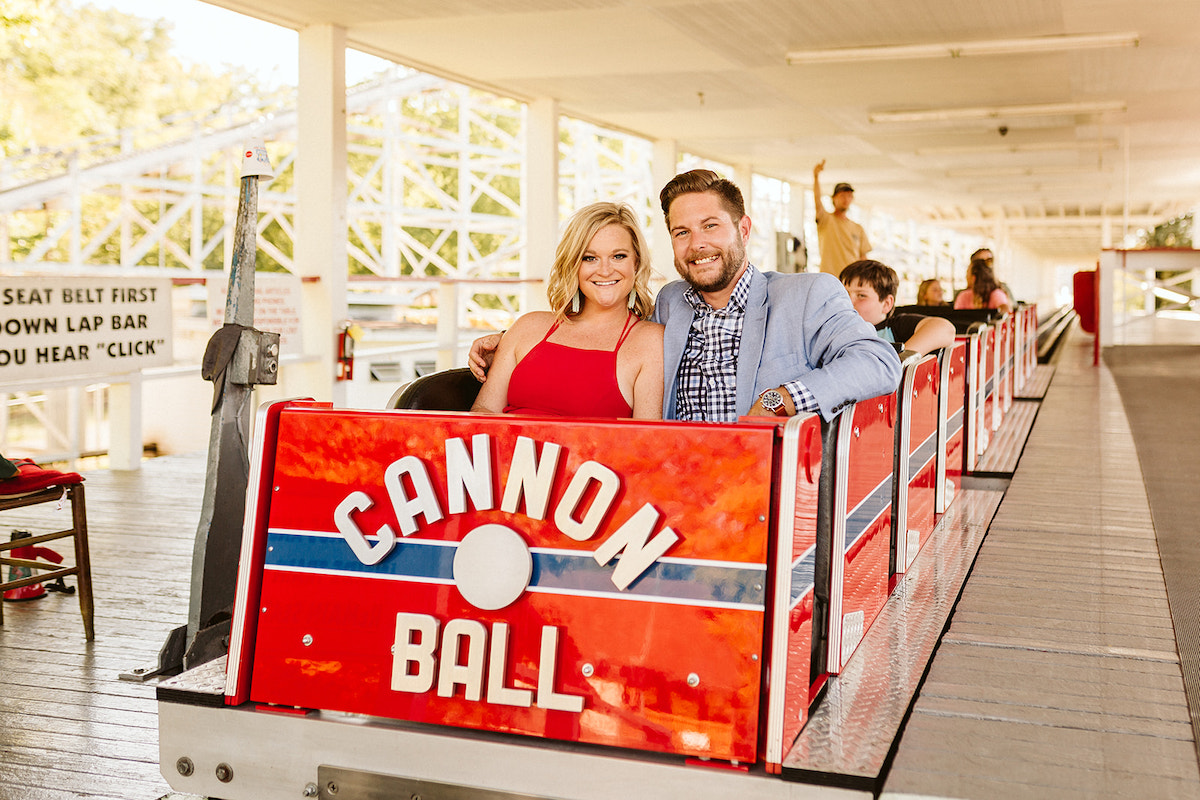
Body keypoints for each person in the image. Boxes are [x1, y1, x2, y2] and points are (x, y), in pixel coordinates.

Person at [472, 170, 900, 423]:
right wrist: (508, 342)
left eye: (711, 226)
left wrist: (780, 398)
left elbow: (879, 362)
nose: (698, 244)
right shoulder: (669, 305)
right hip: (679, 490)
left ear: (744, 230)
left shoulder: (805, 294)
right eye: (682, 232)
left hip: (767, 489)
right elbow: (594, 335)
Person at [470, 202, 664, 419]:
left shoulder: (650, 341)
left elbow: (644, 445)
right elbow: (482, 413)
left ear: (636, 263)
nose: (605, 270)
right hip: (508, 451)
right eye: (589, 258)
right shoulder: (527, 327)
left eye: (618, 256)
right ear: (574, 265)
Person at [841, 260, 955, 356]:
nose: (849, 302)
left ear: (886, 304)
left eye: (861, 296)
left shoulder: (895, 326)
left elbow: (945, 328)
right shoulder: (839, 329)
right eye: (845, 294)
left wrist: (901, 358)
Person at [812, 160, 871, 278]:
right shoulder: (826, 220)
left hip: (851, 279)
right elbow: (818, 201)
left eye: (849, 196)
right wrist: (816, 177)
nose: (846, 199)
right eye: (842, 195)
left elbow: (863, 258)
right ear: (834, 198)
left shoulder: (858, 228)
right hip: (829, 278)